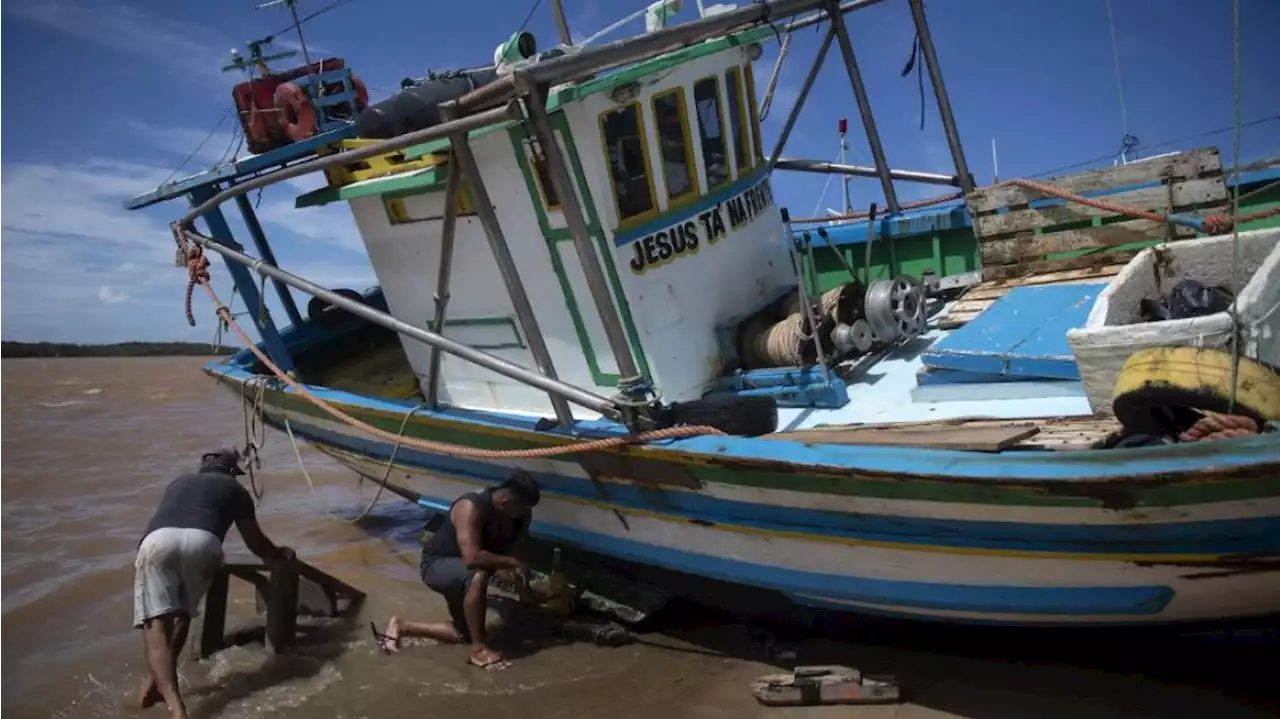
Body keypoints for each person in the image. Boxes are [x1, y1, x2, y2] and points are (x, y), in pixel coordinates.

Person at [133, 448, 286, 719]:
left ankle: (173, 704)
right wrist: (279, 555)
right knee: (183, 616)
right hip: (205, 543)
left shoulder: (178, 482)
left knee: (156, 625)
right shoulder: (236, 491)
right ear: (233, 473)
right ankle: (154, 687)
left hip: (157, 541)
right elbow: (256, 543)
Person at [377, 471, 541, 670]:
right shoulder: (470, 507)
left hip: (467, 570)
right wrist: (511, 563)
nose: (524, 514)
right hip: (438, 565)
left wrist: (523, 587)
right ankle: (479, 651)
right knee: (478, 574)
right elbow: (472, 558)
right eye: (521, 509)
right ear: (505, 502)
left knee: (462, 634)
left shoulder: (521, 514)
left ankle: (402, 626)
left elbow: (517, 551)